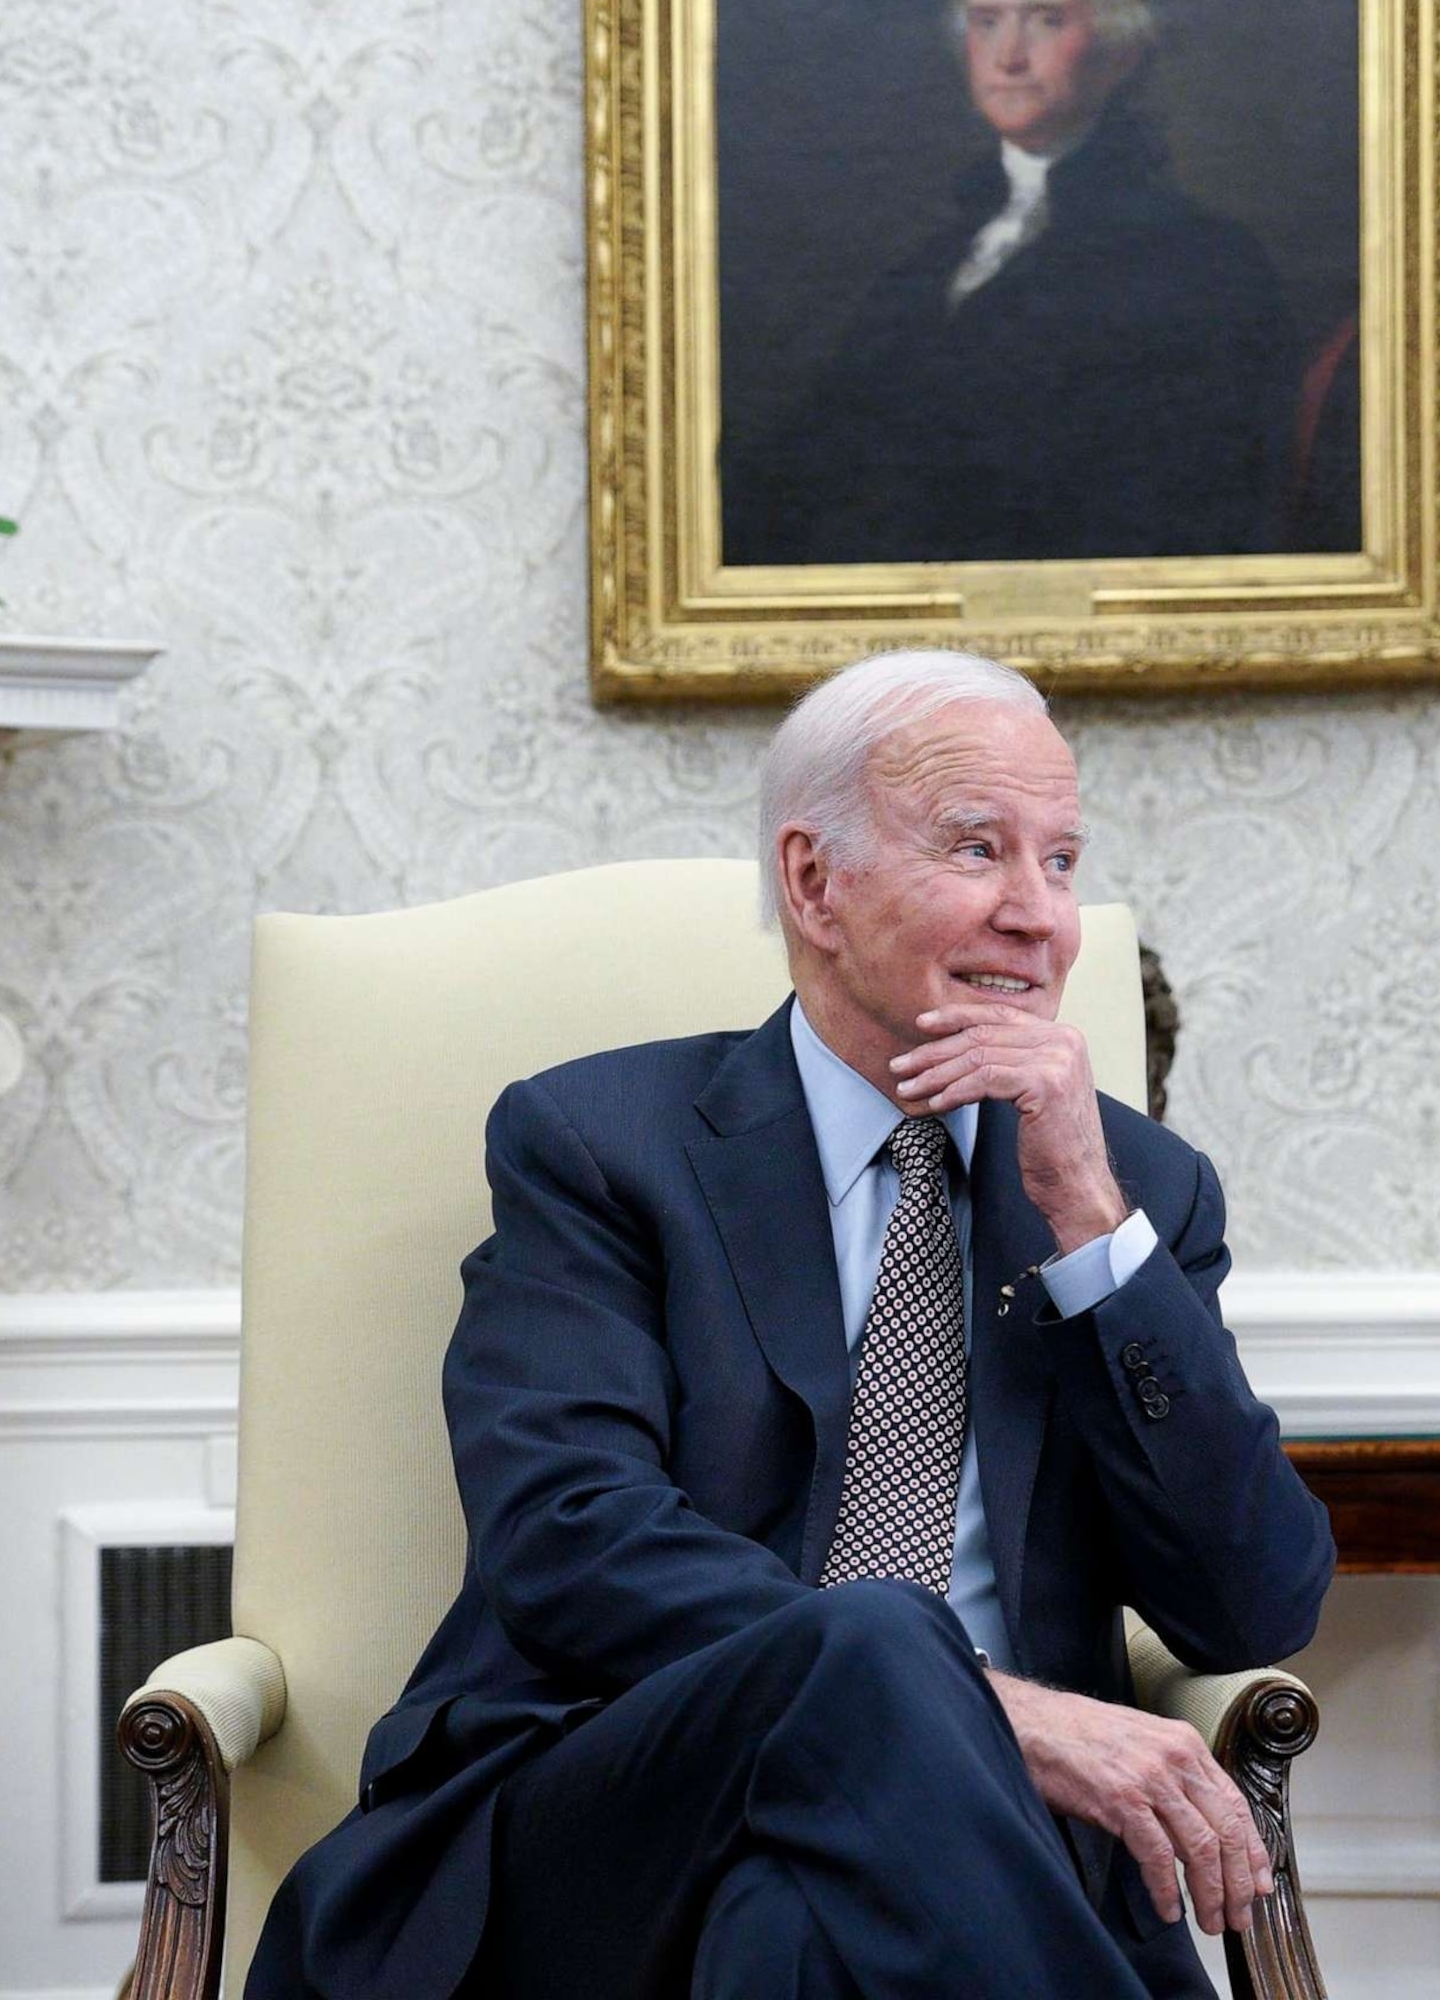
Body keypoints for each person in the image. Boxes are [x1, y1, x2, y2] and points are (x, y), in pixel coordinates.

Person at [245, 649, 1334, 2000]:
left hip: (966, 1860)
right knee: (878, 1635)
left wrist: (1090, 1228)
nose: (1036, 916)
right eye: (979, 849)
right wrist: (1000, 1713)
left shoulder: (1133, 1194)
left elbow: (1251, 1600)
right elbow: (567, 1537)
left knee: (796, 1924)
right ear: (815, 882)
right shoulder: (602, 1147)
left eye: (1061, 861)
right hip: (610, 1806)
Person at [727, 0, 1296, 567]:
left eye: (1047, 20)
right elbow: (813, 459)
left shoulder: (1203, 263)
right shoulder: (933, 261)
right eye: (986, 22)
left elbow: (1182, 516)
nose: (1009, 56)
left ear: (1121, 51)